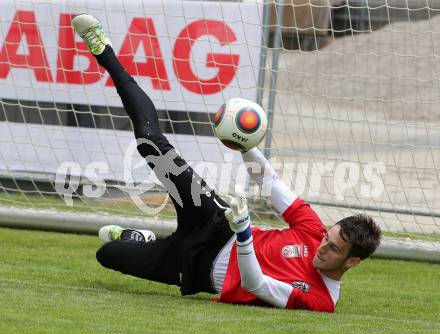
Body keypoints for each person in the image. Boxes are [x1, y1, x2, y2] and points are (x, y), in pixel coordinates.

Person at [72, 14, 381, 313]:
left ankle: (138, 239)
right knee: (151, 144)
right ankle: (104, 49)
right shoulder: (313, 229)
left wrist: (245, 231)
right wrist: (246, 147)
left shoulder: (321, 299)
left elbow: (256, 284)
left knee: (108, 254)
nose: (322, 247)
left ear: (352, 261)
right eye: (328, 238)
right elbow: (270, 183)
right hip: (213, 221)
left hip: (196, 268)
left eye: (333, 249)